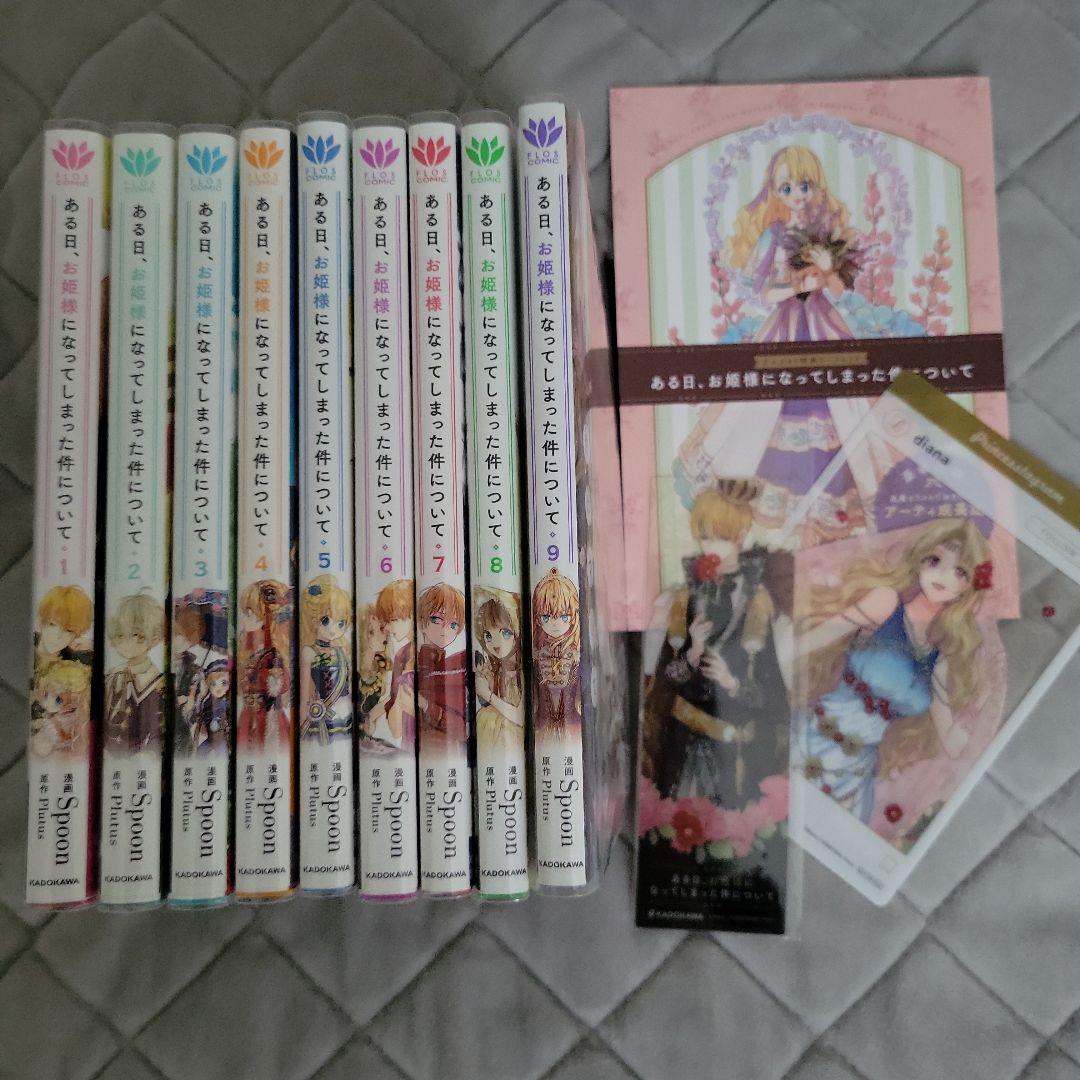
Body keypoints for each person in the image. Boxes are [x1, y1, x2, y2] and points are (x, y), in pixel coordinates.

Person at [794, 519, 989, 824]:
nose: (942, 575)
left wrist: (981, 705)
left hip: (854, 776)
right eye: (935, 560)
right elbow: (808, 642)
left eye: (959, 572)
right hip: (809, 739)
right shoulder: (885, 602)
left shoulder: (941, 659)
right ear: (919, 559)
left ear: (968, 586)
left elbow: (953, 745)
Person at [643, 480, 789, 807]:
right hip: (685, 741)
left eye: (720, 537)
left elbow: (773, 693)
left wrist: (732, 682)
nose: (710, 548)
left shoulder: (759, 603)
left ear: (741, 536)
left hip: (737, 749)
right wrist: (693, 652)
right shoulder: (685, 598)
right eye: (705, 537)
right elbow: (666, 681)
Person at [103, 593, 166, 754]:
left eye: (136, 635)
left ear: (154, 637)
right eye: (120, 635)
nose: (127, 643)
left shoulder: (159, 683)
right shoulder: (112, 677)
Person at [238, 580, 292, 750]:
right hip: (249, 715)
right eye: (244, 613)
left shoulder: (273, 655)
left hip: (268, 715)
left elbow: (282, 685)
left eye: (249, 613)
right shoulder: (247, 649)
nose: (244, 619)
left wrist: (273, 680)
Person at [299, 574, 352, 744]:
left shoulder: (342, 651)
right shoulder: (308, 652)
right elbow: (305, 692)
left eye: (340, 623)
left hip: (343, 710)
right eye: (326, 620)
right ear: (314, 619)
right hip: (318, 713)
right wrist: (302, 723)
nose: (333, 629)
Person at [416, 582, 467, 756]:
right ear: (421, 622)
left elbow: (461, 729)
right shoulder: (409, 661)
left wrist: (425, 706)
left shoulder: (456, 667)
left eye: (453, 625)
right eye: (437, 620)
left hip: (445, 752)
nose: (445, 631)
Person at [532, 569, 582, 740]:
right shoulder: (537, 653)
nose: (556, 624)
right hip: (542, 727)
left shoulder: (575, 654)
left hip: (572, 728)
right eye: (546, 617)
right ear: (537, 618)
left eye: (564, 617)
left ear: (573, 617)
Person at [474, 591, 524, 756]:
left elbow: (520, 717)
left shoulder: (522, 671)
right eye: (488, 635)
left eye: (505, 633)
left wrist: (488, 695)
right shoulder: (493, 668)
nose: (496, 643)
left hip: (513, 740)